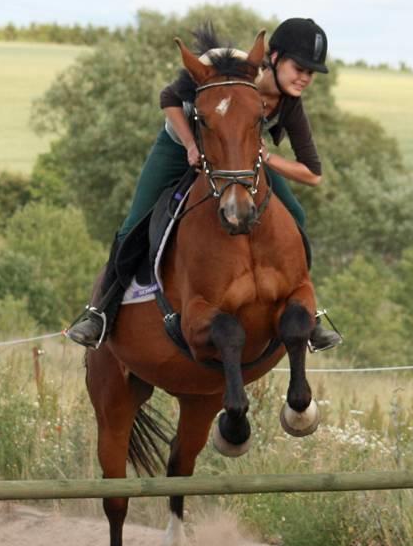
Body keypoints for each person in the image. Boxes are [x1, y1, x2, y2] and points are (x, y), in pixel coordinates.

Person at [66, 18, 341, 351]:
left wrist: (266, 158)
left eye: (311, 73)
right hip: (178, 147)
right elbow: (167, 98)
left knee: (294, 213)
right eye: (299, 67)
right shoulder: (221, 72)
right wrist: (191, 145)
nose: (305, 78)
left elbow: (313, 174)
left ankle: (307, 316)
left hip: (237, 162)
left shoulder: (289, 106)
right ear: (275, 57)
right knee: (135, 221)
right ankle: (99, 313)